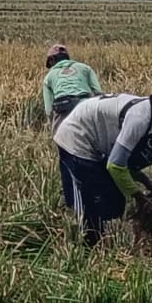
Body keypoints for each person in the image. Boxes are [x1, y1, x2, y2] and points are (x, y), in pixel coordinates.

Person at [54, 82, 152, 246]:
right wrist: (140, 197)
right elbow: (114, 165)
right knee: (90, 200)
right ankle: (84, 246)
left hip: (93, 140)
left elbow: (121, 161)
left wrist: (145, 181)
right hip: (76, 137)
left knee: (114, 199)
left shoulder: (150, 113)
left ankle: (102, 239)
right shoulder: (140, 119)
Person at [42, 44, 103, 209]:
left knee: (66, 157)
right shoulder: (85, 68)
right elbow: (98, 93)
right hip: (87, 111)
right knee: (97, 152)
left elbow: (49, 110)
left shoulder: (49, 77)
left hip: (63, 113)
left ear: (52, 60)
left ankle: (73, 202)